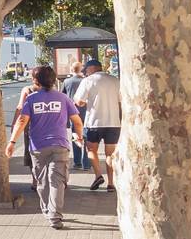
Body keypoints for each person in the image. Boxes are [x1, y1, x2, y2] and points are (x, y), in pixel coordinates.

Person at [6, 65, 83, 229]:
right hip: (60, 145)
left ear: (35, 81)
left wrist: (12, 142)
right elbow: (77, 121)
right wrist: (79, 136)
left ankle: (49, 211)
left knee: (42, 182)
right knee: (57, 181)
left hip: (38, 147)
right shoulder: (63, 98)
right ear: (54, 80)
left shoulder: (32, 99)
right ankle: (55, 216)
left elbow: (22, 121)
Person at [75, 58, 122, 191]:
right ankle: (111, 183)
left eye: (86, 70)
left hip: (93, 123)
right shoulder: (115, 80)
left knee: (91, 150)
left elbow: (79, 102)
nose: (85, 73)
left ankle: (98, 175)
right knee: (110, 154)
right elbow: (121, 100)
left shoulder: (88, 81)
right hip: (113, 123)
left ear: (91, 69)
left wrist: (86, 102)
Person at [61, 63, 88, 171]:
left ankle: (77, 162)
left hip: (73, 113)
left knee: (75, 135)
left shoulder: (67, 82)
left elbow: (62, 95)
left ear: (72, 69)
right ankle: (86, 162)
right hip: (86, 111)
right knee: (86, 136)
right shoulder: (86, 81)